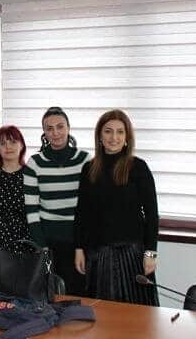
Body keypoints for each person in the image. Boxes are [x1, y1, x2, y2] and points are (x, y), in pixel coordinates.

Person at [74, 109, 159, 306]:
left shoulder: (138, 167)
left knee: (137, 315)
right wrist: (78, 249)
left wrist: (150, 254)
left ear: (127, 137)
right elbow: (81, 213)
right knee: (102, 313)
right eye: (108, 131)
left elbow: (152, 215)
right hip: (98, 255)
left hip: (132, 256)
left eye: (120, 132)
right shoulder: (89, 169)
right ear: (99, 136)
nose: (114, 137)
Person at [25, 106, 90, 295]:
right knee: (50, 297)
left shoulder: (85, 160)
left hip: (79, 241)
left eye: (60, 127)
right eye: (49, 128)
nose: (55, 133)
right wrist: (42, 247)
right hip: (49, 241)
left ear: (68, 128)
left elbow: (90, 207)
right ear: (44, 132)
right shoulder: (34, 163)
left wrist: (82, 245)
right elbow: (31, 211)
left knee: (79, 296)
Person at [0, 125, 44, 272]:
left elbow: (41, 213)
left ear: (22, 145)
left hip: (28, 246)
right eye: (3, 143)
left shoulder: (32, 176)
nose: (8, 147)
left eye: (13, 141)